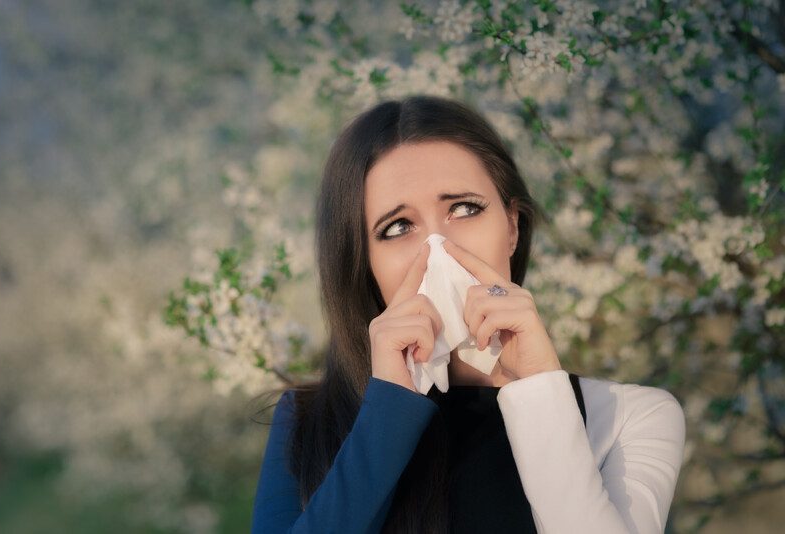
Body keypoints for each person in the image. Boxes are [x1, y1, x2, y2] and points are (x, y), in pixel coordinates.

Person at [249, 95, 686, 533]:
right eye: (398, 227)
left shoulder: (630, 416)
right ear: (366, 264)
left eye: (464, 208)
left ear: (512, 228)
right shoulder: (307, 423)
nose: (439, 249)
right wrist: (387, 412)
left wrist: (539, 387)